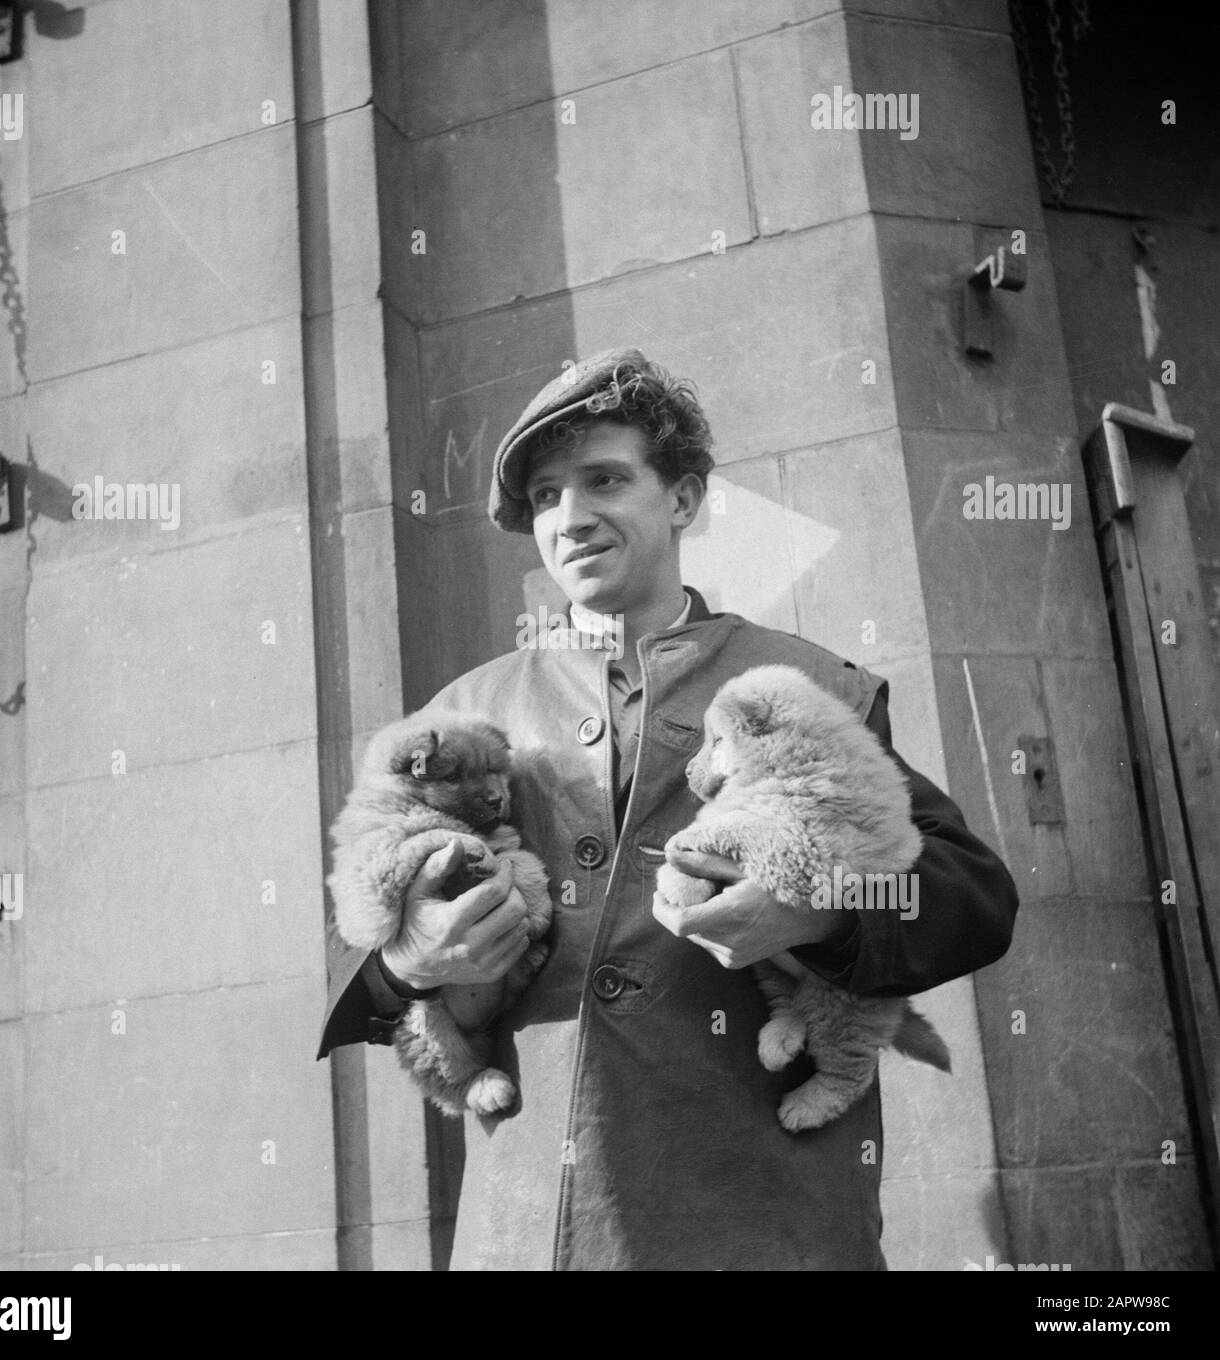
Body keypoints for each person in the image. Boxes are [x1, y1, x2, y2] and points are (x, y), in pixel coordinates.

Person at [318, 348, 1018, 1271]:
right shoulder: (464, 715)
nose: (570, 517)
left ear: (682, 499)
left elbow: (969, 898)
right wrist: (411, 959)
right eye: (544, 496)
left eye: (605, 478)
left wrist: (822, 910)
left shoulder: (806, 685)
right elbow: (372, 952)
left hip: (768, 1220)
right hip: (539, 1228)